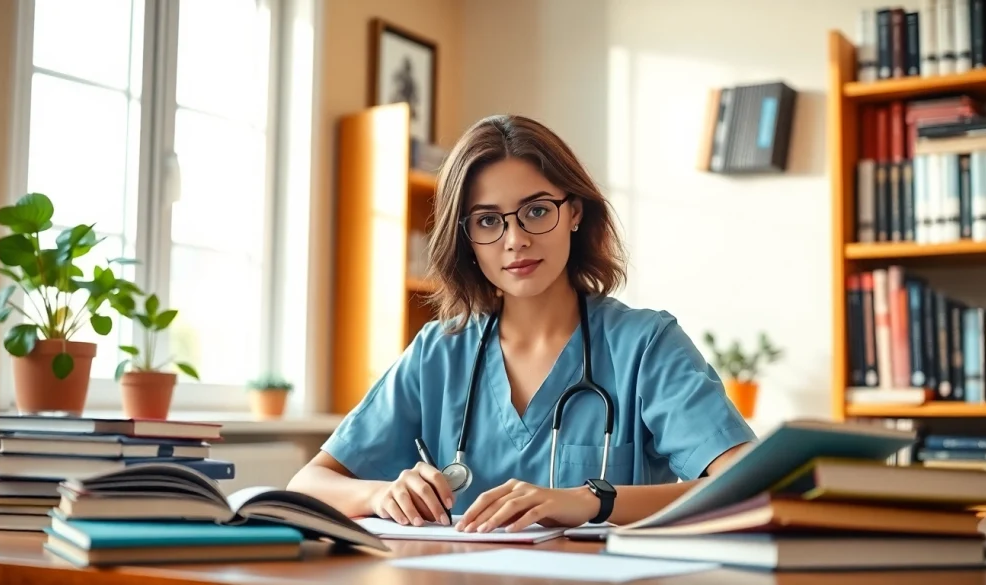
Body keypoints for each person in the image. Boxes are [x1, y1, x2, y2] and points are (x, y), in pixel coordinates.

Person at [287, 114, 757, 534]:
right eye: (488, 221)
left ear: (574, 212)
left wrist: (591, 501)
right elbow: (309, 483)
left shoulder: (646, 346)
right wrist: (379, 494)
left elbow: (749, 486)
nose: (515, 239)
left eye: (536, 211)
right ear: (466, 238)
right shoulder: (438, 352)